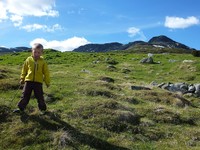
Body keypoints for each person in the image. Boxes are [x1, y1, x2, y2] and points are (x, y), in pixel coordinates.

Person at [14, 43, 50, 114]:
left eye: (38, 52)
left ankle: (43, 110)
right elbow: (24, 69)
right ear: (32, 51)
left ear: (42, 53)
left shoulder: (43, 62)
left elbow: (46, 72)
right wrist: (22, 78)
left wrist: (47, 82)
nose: (36, 54)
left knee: (40, 97)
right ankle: (20, 108)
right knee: (25, 95)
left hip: (38, 82)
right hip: (28, 81)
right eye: (35, 52)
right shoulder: (28, 60)